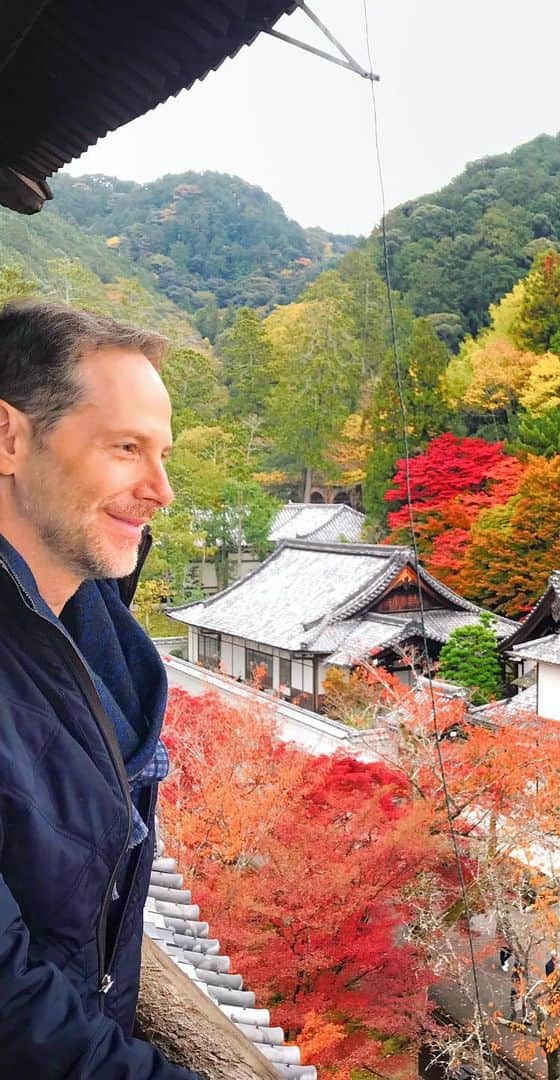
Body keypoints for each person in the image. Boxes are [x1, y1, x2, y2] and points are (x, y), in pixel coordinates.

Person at [0, 300, 196, 1076]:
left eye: (163, 454)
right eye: (126, 448)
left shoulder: (94, 632)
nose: (161, 490)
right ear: (10, 437)